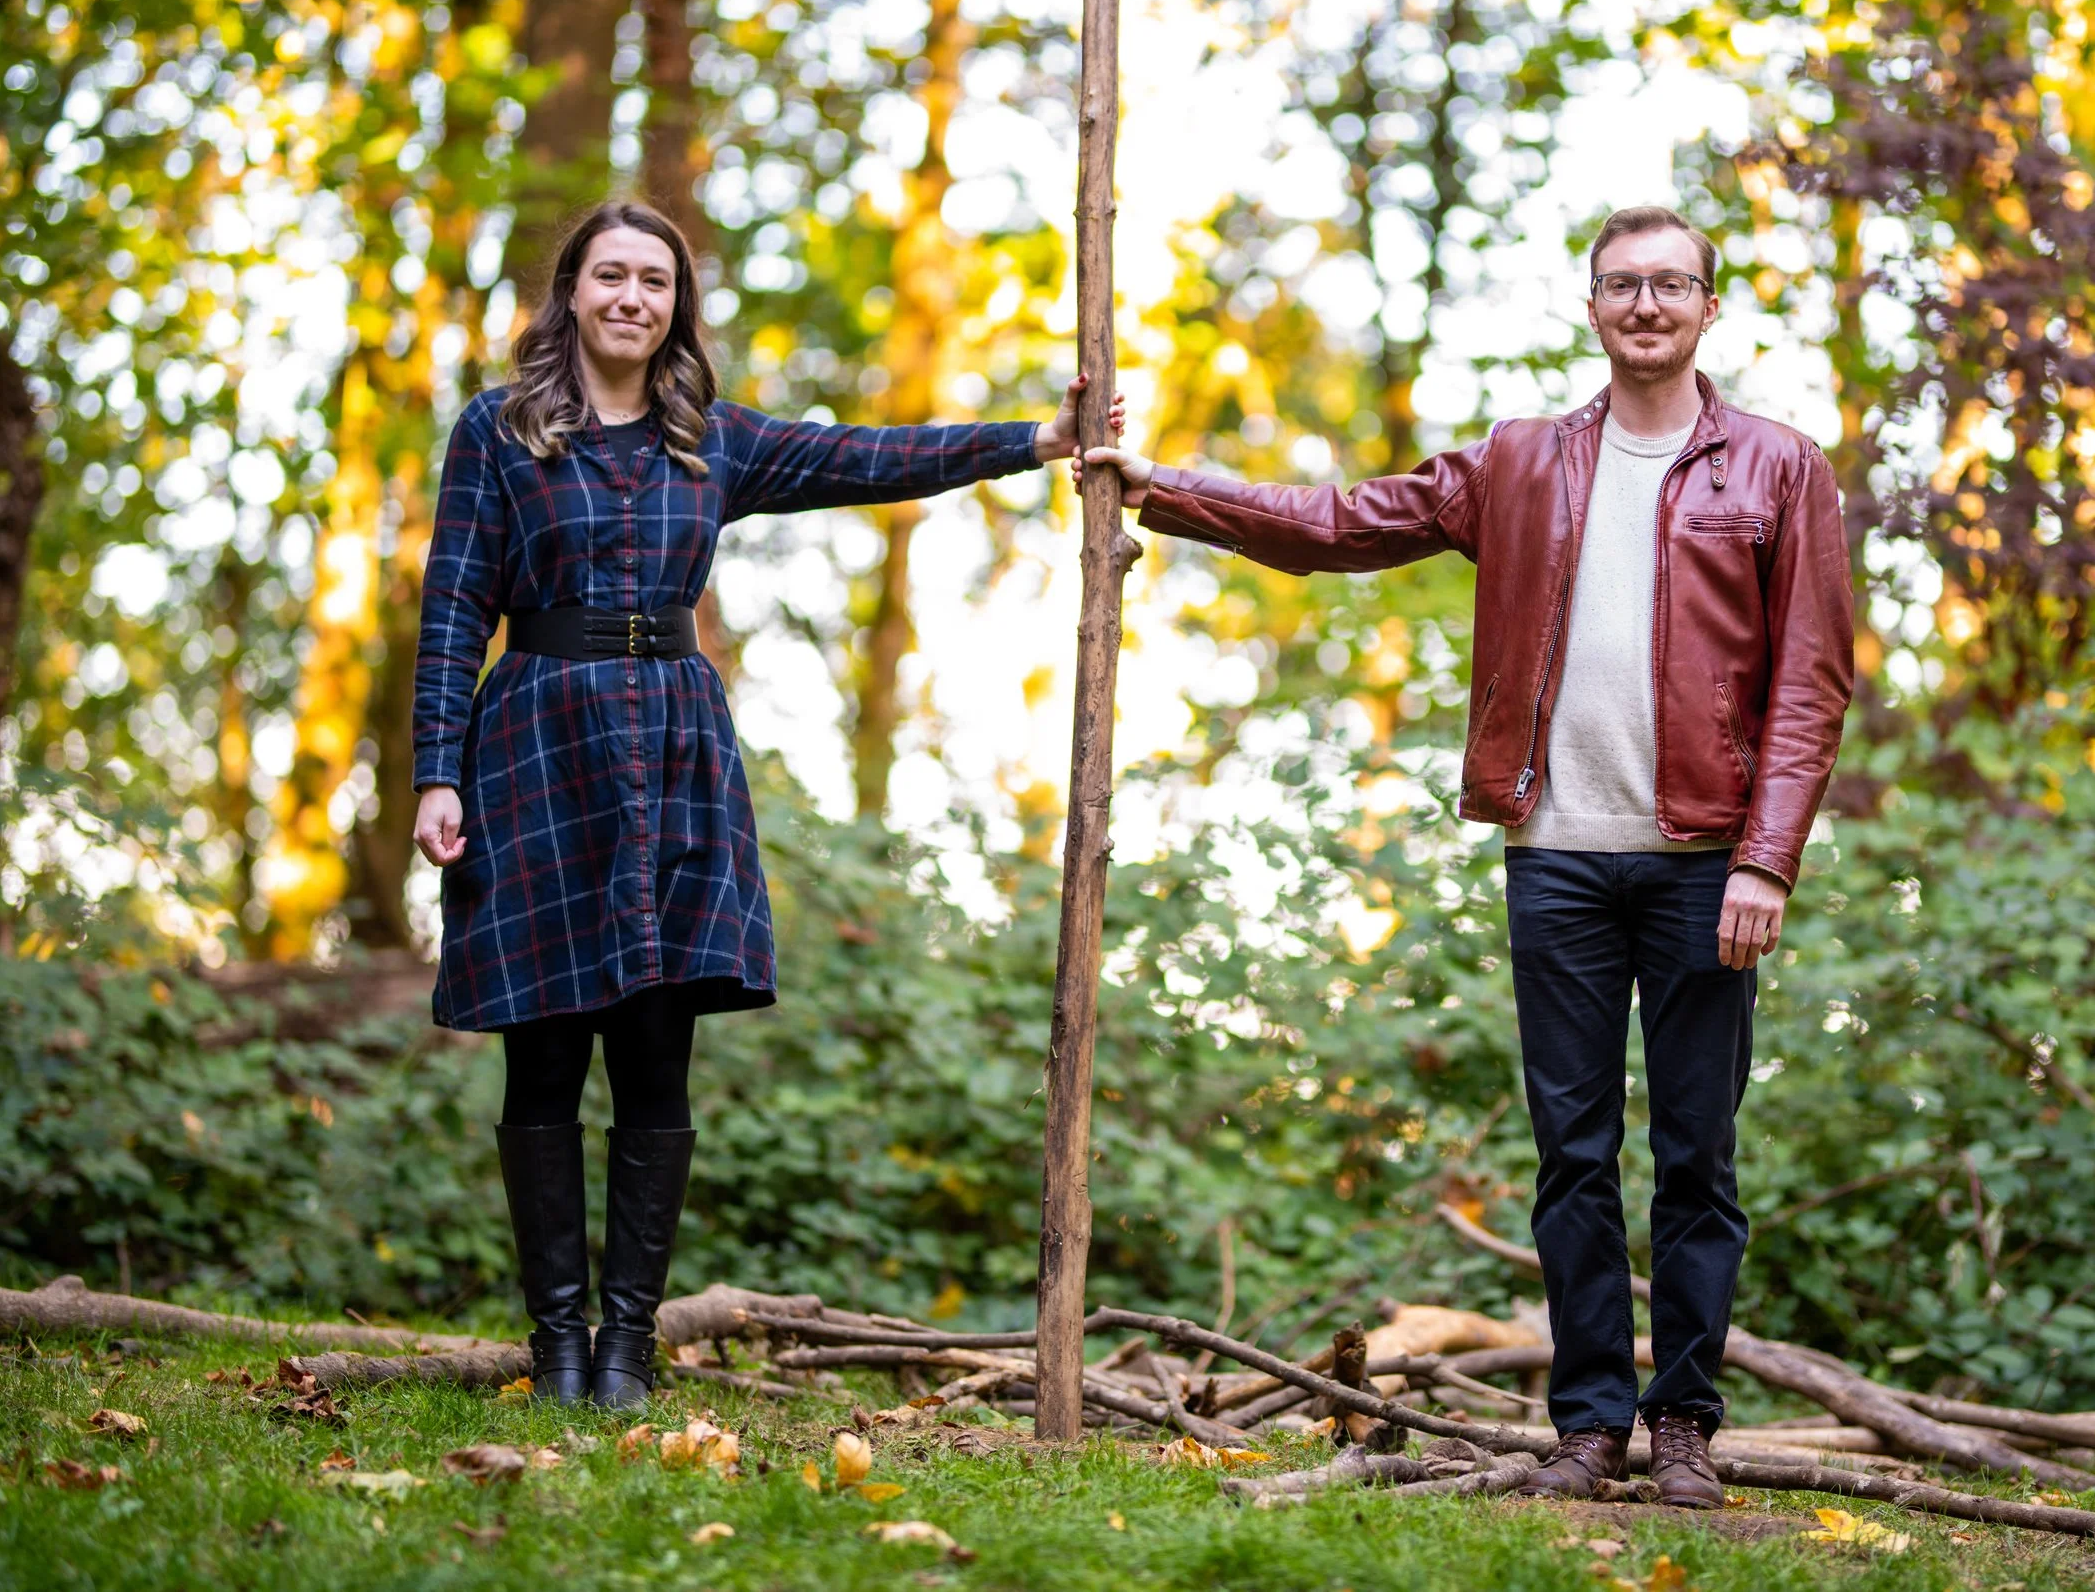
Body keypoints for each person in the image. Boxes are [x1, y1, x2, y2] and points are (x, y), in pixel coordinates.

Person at [1085, 205, 1853, 1503]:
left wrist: (1765, 859)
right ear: (1592, 305)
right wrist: (1160, 489)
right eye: (1623, 283)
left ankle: (1683, 1426)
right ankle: (1589, 1427)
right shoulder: (1520, 461)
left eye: (1671, 284)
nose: (1647, 303)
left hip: (1702, 861)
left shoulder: (1779, 466)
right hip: (1555, 854)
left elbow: (1813, 678)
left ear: (1708, 308)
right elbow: (1342, 521)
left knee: (1696, 1157)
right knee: (1572, 1154)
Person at [412, 199, 1120, 1409]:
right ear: (571, 290)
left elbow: (866, 458)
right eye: (611, 275)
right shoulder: (500, 428)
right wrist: (437, 766)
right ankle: (559, 1345)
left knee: (656, 1047)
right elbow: (452, 602)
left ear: (676, 306)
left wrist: (1036, 439)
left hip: (675, 750)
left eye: (656, 281)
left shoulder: (711, 438)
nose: (632, 298)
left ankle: (627, 1350)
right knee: (545, 1054)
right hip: (536, 744)